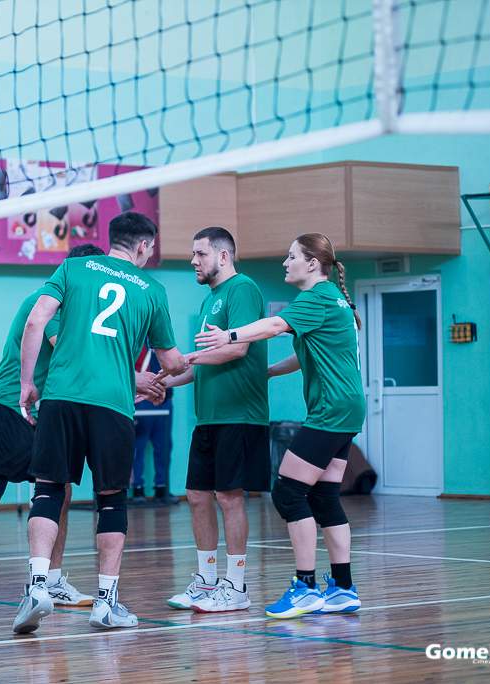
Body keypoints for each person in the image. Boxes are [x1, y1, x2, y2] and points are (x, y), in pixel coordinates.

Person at [13, 211, 187, 633]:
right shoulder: (152, 289)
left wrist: (27, 383)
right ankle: (105, 603)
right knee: (111, 500)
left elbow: (36, 320)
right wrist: (187, 363)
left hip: (62, 396)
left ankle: (37, 587)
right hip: (113, 404)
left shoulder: (73, 268)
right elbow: (170, 362)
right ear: (143, 246)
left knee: (48, 491)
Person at [195, 232, 365, 618]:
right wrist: (270, 371)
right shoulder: (334, 299)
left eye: (291, 257)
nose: (285, 263)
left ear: (312, 263)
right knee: (324, 496)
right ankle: (342, 587)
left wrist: (229, 335)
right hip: (347, 409)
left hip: (331, 410)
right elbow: (308, 355)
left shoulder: (317, 298)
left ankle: (305, 587)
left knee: (288, 492)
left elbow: (272, 326)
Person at [0, 245, 108, 608]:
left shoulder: (74, 306)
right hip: (8, 404)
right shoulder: (48, 300)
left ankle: (53, 580)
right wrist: (126, 376)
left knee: (58, 488)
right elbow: (69, 352)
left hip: (38, 412)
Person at [156, 227, 270, 613]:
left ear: (223, 256)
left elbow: (237, 349)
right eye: (193, 254)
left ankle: (235, 587)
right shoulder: (209, 300)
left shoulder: (243, 289)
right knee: (196, 495)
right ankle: (206, 581)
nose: (193, 261)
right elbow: (201, 365)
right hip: (208, 417)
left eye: (200, 254)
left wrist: (185, 358)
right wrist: (161, 382)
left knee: (229, 497)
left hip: (240, 414)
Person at [131, 344, 177, 505]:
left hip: (164, 399)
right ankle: (137, 488)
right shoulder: (137, 337)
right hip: (141, 397)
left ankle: (162, 487)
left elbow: (173, 364)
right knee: (138, 446)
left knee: (163, 447)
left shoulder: (165, 341)